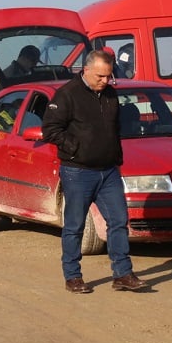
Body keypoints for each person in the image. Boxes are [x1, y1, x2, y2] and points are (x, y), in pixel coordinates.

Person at [41, 50, 148, 294]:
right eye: (100, 76)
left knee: (119, 221)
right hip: (78, 171)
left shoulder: (110, 94)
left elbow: (115, 127)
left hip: (109, 170)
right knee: (74, 225)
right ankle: (73, 276)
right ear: (86, 70)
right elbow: (50, 129)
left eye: (109, 76)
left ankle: (122, 274)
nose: (105, 81)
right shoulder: (67, 94)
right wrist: (75, 148)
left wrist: (115, 155)